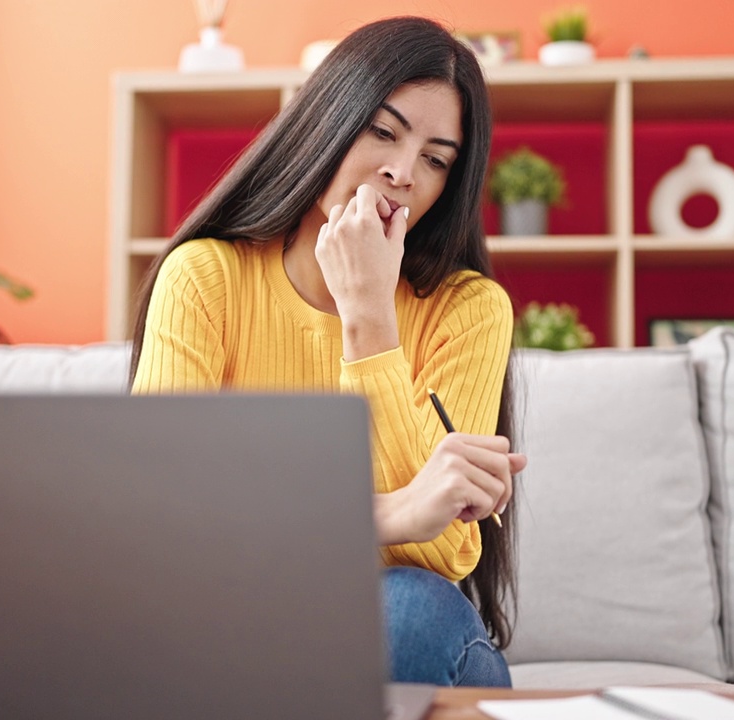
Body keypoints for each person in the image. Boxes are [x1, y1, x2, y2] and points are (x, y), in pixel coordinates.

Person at [130, 16, 526, 687]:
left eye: (436, 159)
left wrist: (369, 316)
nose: (402, 173)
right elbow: (160, 516)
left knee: (403, 608)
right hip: (232, 622)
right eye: (382, 131)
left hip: (408, 634)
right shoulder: (207, 278)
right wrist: (391, 512)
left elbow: (444, 551)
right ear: (328, 121)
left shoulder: (468, 308)